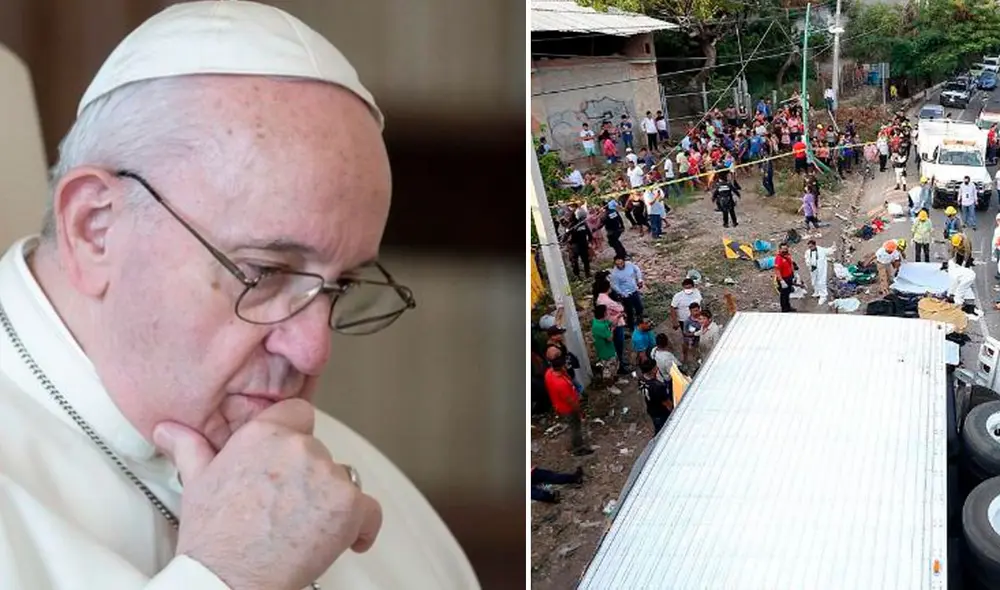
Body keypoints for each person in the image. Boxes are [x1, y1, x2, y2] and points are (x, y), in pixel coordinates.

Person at [0, 2, 477, 589]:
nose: (314, 350)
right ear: (94, 227)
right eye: (264, 273)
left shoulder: (382, 505)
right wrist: (230, 576)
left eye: (344, 285)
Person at [544, 356, 593, 456]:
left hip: (559, 405)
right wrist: (580, 412)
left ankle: (576, 445)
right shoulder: (561, 384)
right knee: (575, 427)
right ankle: (578, 448)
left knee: (573, 426)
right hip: (568, 409)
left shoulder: (549, 373)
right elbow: (571, 402)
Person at [637, 359, 674, 435]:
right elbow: (667, 403)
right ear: (653, 370)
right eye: (656, 367)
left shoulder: (641, 380)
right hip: (661, 412)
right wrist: (673, 412)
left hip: (651, 409)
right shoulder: (658, 386)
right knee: (664, 430)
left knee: (658, 427)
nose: (657, 368)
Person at [591, 305, 621, 394]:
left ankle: (616, 380)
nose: (609, 312)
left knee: (615, 366)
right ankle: (610, 386)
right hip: (605, 353)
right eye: (607, 311)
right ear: (603, 313)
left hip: (611, 349)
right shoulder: (599, 326)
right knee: (608, 370)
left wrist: (617, 318)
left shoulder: (600, 321)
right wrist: (612, 329)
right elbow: (610, 338)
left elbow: (610, 324)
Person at [609, 256, 645, 331]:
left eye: (621, 263)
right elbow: (615, 285)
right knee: (629, 311)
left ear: (624, 261)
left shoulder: (629, 264)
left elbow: (637, 270)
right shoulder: (615, 274)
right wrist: (622, 293)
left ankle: (640, 322)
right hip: (626, 295)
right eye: (618, 264)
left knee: (639, 308)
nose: (620, 266)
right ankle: (631, 326)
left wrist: (639, 279)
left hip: (634, 290)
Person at [804, 240, 835, 305]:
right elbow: (807, 259)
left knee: (821, 282)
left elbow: (829, 251)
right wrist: (809, 264)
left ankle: (823, 296)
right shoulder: (807, 252)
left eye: (811, 246)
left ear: (815, 245)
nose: (810, 248)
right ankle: (817, 292)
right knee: (814, 281)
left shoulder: (821, 250)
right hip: (813, 269)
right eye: (809, 247)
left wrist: (833, 247)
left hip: (821, 269)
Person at [775, 242, 797, 312]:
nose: (785, 250)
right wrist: (781, 281)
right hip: (783, 279)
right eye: (783, 249)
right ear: (780, 249)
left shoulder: (788, 255)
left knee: (788, 293)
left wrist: (794, 274)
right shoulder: (778, 258)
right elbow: (777, 270)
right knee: (783, 295)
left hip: (789, 277)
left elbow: (791, 264)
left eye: (786, 249)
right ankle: (784, 309)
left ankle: (788, 306)